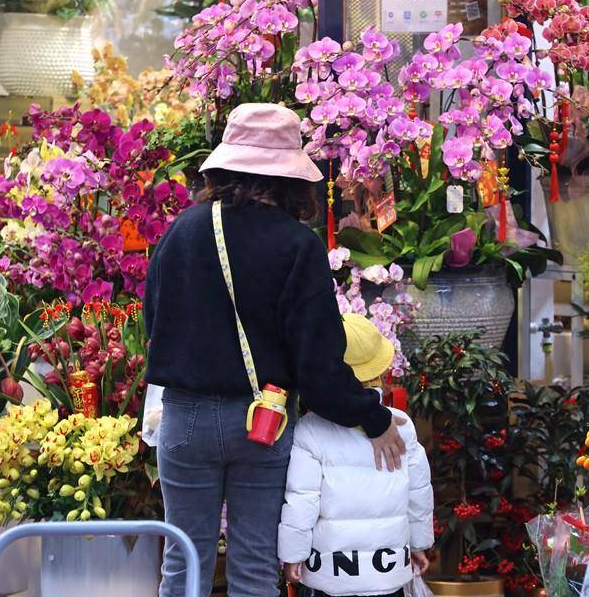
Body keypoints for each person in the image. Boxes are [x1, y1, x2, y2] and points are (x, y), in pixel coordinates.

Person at [144, 103, 407, 597]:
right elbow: (318, 362)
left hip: (186, 419)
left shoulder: (182, 232)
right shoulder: (296, 244)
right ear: (290, 179)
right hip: (262, 421)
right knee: (254, 566)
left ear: (223, 167)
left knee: (184, 562)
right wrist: (373, 417)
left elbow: (155, 324)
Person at [279, 314, 434, 597]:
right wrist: (420, 544)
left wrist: (292, 554)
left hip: (330, 574)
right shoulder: (400, 426)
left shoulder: (311, 431)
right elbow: (419, 494)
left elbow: (302, 500)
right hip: (388, 571)